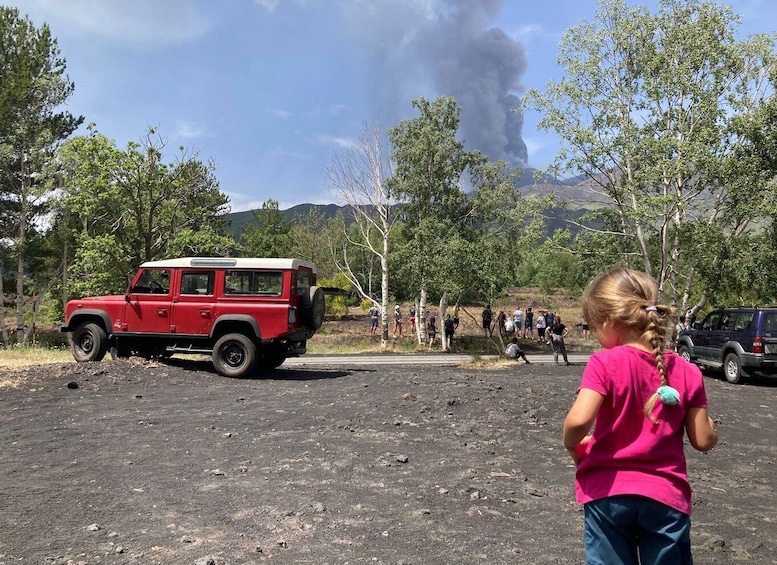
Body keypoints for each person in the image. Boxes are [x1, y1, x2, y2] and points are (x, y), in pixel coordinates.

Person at [563, 267, 718, 564]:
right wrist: (711, 428)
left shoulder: (603, 363)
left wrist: (573, 443)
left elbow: (579, 421)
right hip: (665, 496)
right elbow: (703, 440)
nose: (597, 337)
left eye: (595, 328)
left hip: (608, 493)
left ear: (610, 321)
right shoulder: (688, 371)